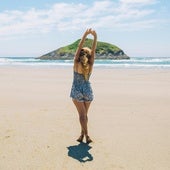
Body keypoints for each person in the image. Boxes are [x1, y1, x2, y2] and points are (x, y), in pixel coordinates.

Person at [70, 28, 97, 144]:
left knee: (82, 115)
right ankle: (82, 135)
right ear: (89, 56)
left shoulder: (76, 63)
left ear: (79, 54)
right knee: (85, 115)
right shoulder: (90, 65)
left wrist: (85, 35)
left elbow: (78, 47)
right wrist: (95, 37)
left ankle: (87, 135)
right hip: (87, 90)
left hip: (77, 90)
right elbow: (94, 50)